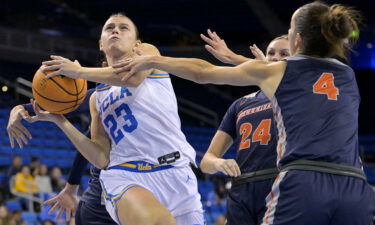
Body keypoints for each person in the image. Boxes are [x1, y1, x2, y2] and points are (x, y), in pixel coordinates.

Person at [113, 2, 375, 224]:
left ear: (297, 40)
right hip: (355, 186)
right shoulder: (348, 75)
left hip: (305, 182)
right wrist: (242, 60)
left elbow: (203, 72)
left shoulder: (279, 71)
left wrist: (153, 60)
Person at [25, 13, 204, 225]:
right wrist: (60, 121)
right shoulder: (97, 98)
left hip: (177, 172)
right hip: (125, 175)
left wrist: (79, 72)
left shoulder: (148, 53)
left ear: (137, 43)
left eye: (123, 27)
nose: (115, 30)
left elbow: (133, 77)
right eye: (109, 28)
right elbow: (101, 157)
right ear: (101, 43)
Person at [199, 32, 289, 225]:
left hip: (282, 185)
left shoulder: (297, 95)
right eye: (271, 53)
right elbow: (206, 161)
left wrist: (238, 59)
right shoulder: (241, 104)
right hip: (242, 190)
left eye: (284, 54)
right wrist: (219, 164)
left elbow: (289, 77)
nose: (276, 58)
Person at [7, 87, 117, 225]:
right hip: (105, 193)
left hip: (139, 182)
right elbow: (92, 145)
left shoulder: (147, 92)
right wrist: (19, 108)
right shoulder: (102, 95)